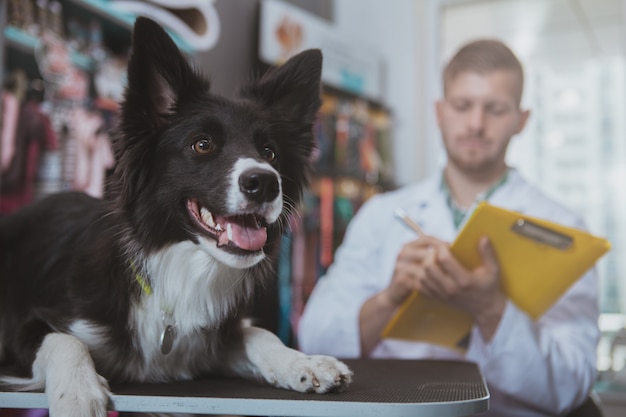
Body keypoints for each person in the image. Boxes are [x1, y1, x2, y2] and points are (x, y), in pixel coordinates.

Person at [297, 39, 600, 417]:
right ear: (439, 112)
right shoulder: (381, 214)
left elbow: (572, 384)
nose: (476, 123)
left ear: (522, 121)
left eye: (496, 109)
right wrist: (391, 298)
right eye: (462, 106)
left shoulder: (563, 228)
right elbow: (313, 341)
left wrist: (491, 309)